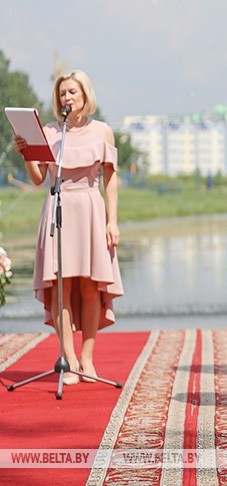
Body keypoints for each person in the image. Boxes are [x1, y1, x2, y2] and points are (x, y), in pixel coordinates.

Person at [13, 70, 124, 386]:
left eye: (73, 92)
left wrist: (112, 220)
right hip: (57, 207)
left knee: (91, 286)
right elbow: (38, 179)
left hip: (90, 207)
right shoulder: (48, 131)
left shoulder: (103, 131)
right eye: (62, 94)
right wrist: (25, 154)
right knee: (62, 286)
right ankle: (68, 357)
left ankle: (87, 358)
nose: (67, 98)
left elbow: (110, 180)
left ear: (85, 94)